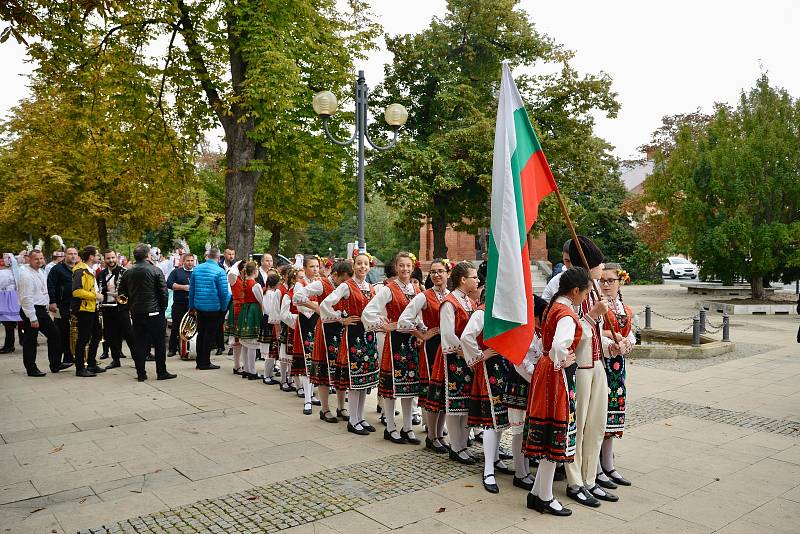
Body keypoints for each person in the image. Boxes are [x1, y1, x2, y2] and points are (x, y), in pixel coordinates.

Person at [523, 266, 590, 516]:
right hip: (555, 375)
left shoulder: (554, 306)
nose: (585, 298)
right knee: (554, 434)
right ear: (575, 291)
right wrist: (563, 360)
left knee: (550, 433)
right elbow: (559, 346)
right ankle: (546, 496)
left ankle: (537, 494)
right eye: (584, 294)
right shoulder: (565, 314)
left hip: (545, 371)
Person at [564, 236, 619, 507]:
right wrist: (593, 315)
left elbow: (595, 334)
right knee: (580, 426)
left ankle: (590, 479)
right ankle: (575, 482)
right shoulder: (571, 292)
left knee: (596, 425)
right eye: (598, 265)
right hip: (580, 367)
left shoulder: (594, 290)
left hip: (597, 364)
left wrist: (612, 346)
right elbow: (570, 332)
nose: (601, 270)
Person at [363, 251, 422, 445]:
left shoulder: (416, 289)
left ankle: (407, 427)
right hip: (394, 341)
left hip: (411, 342)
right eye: (402, 265)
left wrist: (422, 331)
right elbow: (369, 311)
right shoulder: (389, 289)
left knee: (409, 386)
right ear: (396, 268)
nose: (405, 269)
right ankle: (390, 427)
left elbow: (420, 316)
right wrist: (383, 323)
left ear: (412, 268)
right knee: (391, 386)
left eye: (408, 266)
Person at [460, 289, 514, 493]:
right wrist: (480, 355)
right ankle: (488, 469)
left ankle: (496, 458)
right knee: (491, 419)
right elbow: (466, 336)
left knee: (500, 418)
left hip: (504, 367)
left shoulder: (504, 312)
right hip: (489, 369)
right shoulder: (482, 312)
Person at [426, 261, 480, 464]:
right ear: (463, 280)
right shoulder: (450, 303)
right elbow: (448, 335)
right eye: (474, 277)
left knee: (465, 404)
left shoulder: (468, 301)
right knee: (454, 404)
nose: (477, 280)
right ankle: (456, 446)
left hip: (465, 357)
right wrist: (468, 352)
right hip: (453, 358)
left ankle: (462, 444)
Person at [321, 252, 377, 436]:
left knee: (364, 380)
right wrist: (340, 318)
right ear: (353, 266)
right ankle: (353, 420)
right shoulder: (346, 286)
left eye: (365, 264)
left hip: (368, 335)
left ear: (369, 266)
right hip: (353, 334)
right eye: (359, 264)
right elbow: (326, 304)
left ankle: (359, 417)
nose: (362, 267)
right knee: (355, 379)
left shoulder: (370, 287)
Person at [399, 258, 451, 453]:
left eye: (440, 271)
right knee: (433, 389)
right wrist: (422, 333)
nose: (437, 275)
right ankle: (431, 436)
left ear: (448, 274)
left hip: (447, 347)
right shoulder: (424, 296)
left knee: (444, 390)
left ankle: (439, 434)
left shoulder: (450, 295)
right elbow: (404, 319)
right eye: (433, 272)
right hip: (431, 348)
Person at [502, 295, 548, 492]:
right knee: (519, 429)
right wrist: (538, 377)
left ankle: (528, 467)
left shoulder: (538, 331)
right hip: (520, 384)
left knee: (529, 428)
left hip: (533, 383)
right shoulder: (523, 332)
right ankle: (520, 473)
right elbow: (521, 362)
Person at [596, 263, 634, 489]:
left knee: (613, 414)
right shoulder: (597, 305)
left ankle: (608, 463)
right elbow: (591, 331)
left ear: (620, 282)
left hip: (618, 369)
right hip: (601, 362)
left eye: (611, 280)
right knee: (599, 416)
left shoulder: (624, 308)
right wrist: (611, 340)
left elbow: (631, 332)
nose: (606, 284)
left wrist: (628, 342)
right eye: (602, 280)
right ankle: (598, 466)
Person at [299, 260, 351, 422]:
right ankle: (325, 409)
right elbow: (298, 295)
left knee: (341, 369)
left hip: (342, 328)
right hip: (326, 329)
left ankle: (341, 407)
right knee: (324, 369)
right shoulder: (322, 284)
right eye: (343, 280)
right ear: (335, 275)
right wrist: (317, 307)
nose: (345, 284)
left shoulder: (345, 286)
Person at [117, 244, 175, 381]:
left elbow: (122, 295)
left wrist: (129, 308)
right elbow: (163, 293)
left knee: (140, 343)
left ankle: (141, 374)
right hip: (154, 312)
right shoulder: (155, 270)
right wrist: (161, 309)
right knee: (159, 343)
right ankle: (161, 372)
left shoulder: (127, 272)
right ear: (148, 256)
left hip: (137, 313)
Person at [17, 250, 66, 376]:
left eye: (41, 258)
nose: (39, 261)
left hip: (41, 309)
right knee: (31, 340)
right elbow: (26, 298)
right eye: (36, 259)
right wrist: (32, 318)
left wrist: (48, 304)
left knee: (55, 334)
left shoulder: (40, 271)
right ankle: (31, 368)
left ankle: (55, 364)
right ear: (29, 259)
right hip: (32, 310)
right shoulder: (26, 274)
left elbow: (42, 291)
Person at [292, 256, 324, 415]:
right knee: (307, 359)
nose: (315, 269)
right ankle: (307, 400)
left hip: (317, 322)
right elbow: (297, 303)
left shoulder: (318, 283)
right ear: (304, 268)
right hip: (306, 322)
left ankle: (312, 394)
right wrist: (316, 307)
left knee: (316, 359)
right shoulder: (300, 283)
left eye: (317, 266)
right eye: (312, 266)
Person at [189, 247, 230, 370]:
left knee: (201, 333)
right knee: (209, 335)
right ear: (218, 258)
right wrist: (223, 308)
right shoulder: (220, 271)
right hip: (214, 307)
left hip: (200, 307)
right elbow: (224, 293)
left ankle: (199, 360)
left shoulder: (197, 269)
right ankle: (205, 362)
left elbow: (192, 290)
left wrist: (191, 306)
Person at [97, 249, 136, 369]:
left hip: (121, 308)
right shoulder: (101, 274)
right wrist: (106, 289)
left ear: (117, 258)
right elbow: (98, 290)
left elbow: (131, 290)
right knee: (110, 335)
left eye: (113, 258)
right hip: (107, 308)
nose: (111, 260)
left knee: (129, 334)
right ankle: (115, 360)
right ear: (104, 259)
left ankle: (137, 359)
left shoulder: (124, 272)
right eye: (108, 258)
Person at [71, 246, 106, 377]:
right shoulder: (80, 270)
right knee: (83, 338)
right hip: (84, 309)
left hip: (91, 307)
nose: (99, 257)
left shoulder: (89, 270)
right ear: (91, 257)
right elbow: (76, 291)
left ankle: (91, 363)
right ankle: (80, 368)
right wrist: (95, 296)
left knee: (97, 335)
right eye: (97, 255)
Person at [47, 247, 78, 365]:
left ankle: (69, 357)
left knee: (74, 333)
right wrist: (52, 301)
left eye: (75, 253)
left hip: (76, 305)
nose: (73, 256)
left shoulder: (79, 268)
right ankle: (57, 361)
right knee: (60, 333)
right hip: (61, 306)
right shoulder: (57, 269)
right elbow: (50, 285)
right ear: (65, 255)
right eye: (70, 254)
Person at [235, 261, 263, 380]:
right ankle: (251, 370)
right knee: (252, 343)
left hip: (245, 310)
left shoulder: (245, 283)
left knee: (246, 343)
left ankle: (246, 369)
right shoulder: (255, 285)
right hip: (253, 311)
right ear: (255, 271)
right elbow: (261, 300)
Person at [167, 254, 195, 358]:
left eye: (192, 260)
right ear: (183, 261)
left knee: (191, 327)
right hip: (179, 304)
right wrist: (183, 287)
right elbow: (169, 283)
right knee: (176, 327)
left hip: (193, 305)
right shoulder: (176, 272)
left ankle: (190, 348)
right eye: (188, 260)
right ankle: (172, 349)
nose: (190, 263)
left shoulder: (197, 272)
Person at [258, 270, 281, 385]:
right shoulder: (272, 294)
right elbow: (272, 309)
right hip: (269, 322)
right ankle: (267, 375)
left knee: (270, 351)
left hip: (267, 320)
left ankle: (269, 374)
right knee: (269, 351)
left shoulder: (267, 292)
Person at [1, 254, 21, 354]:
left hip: (6, 297)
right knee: (9, 323)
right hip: (12, 296)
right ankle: (8, 345)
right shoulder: (14, 272)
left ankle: (9, 346)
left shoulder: (4, 273)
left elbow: (2, 284)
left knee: (7, 323)